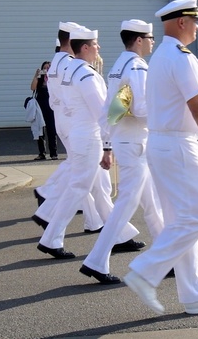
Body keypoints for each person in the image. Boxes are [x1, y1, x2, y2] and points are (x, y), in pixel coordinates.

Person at [123, 0, 198, 316]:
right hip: (177, 145)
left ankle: (195, 295)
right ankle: (146, 271)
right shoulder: (182, 58)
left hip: (159, 144)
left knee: (181, 221)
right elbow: (197, 106)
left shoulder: (159, 56)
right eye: (195, 21)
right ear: (182, 23)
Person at [36, 28, 142, 260]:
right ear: (84, 47)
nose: (99, 48)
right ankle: (51, 238)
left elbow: (61, 103)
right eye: (95, 44)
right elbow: (103, 113)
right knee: (78, 188)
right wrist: (108, 146)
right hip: (89, 137)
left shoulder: (70, 69)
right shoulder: (86, 74)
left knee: (98, 189)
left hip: (78, 132)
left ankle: (120, 235)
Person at [81, 19, 162, 285]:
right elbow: (140, 108)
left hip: (127, 141)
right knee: (126, 204)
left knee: (152, 205)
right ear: (138, 40)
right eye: (150, 37)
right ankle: (96, 260)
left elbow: (111, 110)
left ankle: (167, 258)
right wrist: (168, 116)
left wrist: (109, 142)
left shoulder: (119, 65)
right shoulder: (137, 67)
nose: (153, 41)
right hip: (135, 143)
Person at [30, 60, 58, 160]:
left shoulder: (54, 79)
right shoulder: (40, 79)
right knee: (40, 130)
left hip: (51, 107)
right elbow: (32, 88)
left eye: (48, 68)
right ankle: (42, 153)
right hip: (40, 106)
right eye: (44, 68)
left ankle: (53, 153)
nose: (46, 70)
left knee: (52, 130)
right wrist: (36, 75)